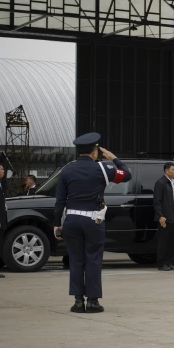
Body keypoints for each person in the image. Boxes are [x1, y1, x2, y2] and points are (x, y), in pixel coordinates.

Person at [53, 133, 132, 313]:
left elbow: (60, 200)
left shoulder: (66, 169)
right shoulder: (103, 169)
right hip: (93, 220)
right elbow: (127, 175)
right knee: (93, 259)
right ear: (95, 152)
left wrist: (57, 224)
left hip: (71, 220)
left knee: (76, 260)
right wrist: (114, 158)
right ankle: (93, 301)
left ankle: (78, 301)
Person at [153, 162, 174, 272]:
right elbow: (157, 201)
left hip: (173, 214)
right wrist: (161, 216)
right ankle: (161, 263)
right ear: (166, 171)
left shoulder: (173, 183)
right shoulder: (161, 183)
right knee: (163, 241)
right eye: (173, 170)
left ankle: (169, 262)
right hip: (165, 216)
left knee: (171, 240)